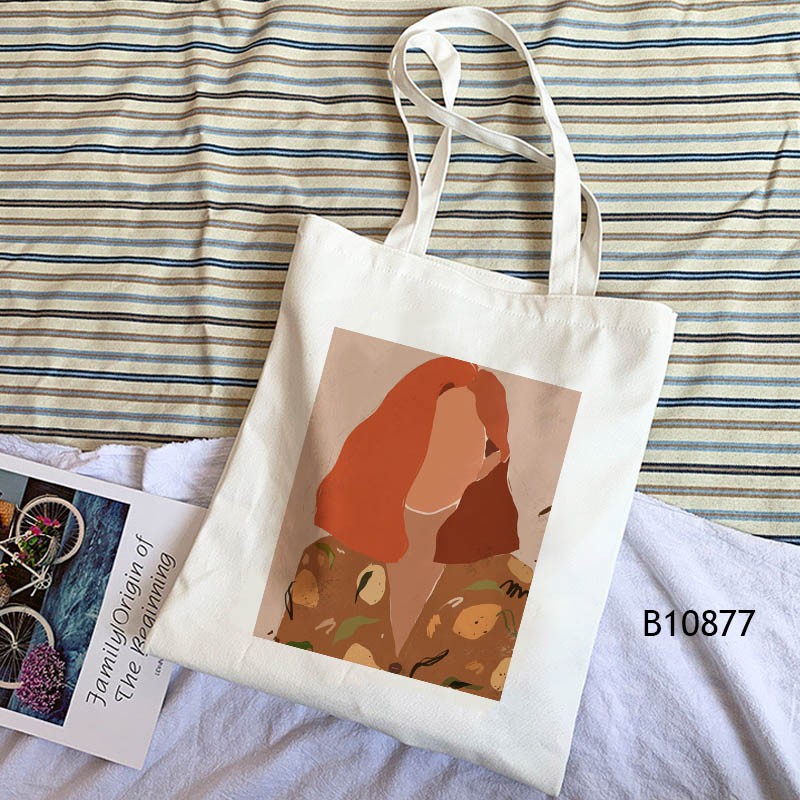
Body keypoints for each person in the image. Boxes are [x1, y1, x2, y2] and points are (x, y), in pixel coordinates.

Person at [275, 357, 534, 699]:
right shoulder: (325, 558)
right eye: (421, 431)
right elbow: (280, 670)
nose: (430, 454)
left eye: (458, 440)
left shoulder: (512, 587)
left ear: (489, 461)